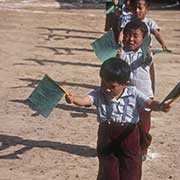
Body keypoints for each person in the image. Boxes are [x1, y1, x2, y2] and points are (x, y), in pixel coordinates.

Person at [65, 58, 170, 180]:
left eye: (112, 86)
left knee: (131, 167)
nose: (107, 89)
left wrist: (161, 106)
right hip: (107, 135)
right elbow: (85, 100)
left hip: (129, 135)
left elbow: (149, 103)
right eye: (104, 84)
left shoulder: (133, 92)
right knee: (108, 169)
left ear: (125, 83)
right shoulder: (98, 93)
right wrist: (74, 99)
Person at [117, 19, 155, 160]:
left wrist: (148, 52)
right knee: (127, 125)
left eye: (135, 36)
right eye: (127, 35)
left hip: (144, 97)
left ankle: (143, 147)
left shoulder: (144, 54)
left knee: (143, 127)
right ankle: (129, 148)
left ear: (143, 39)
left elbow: (148, 60)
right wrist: (118, 59)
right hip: (128, 97)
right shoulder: (121, 53)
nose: (131, 39)